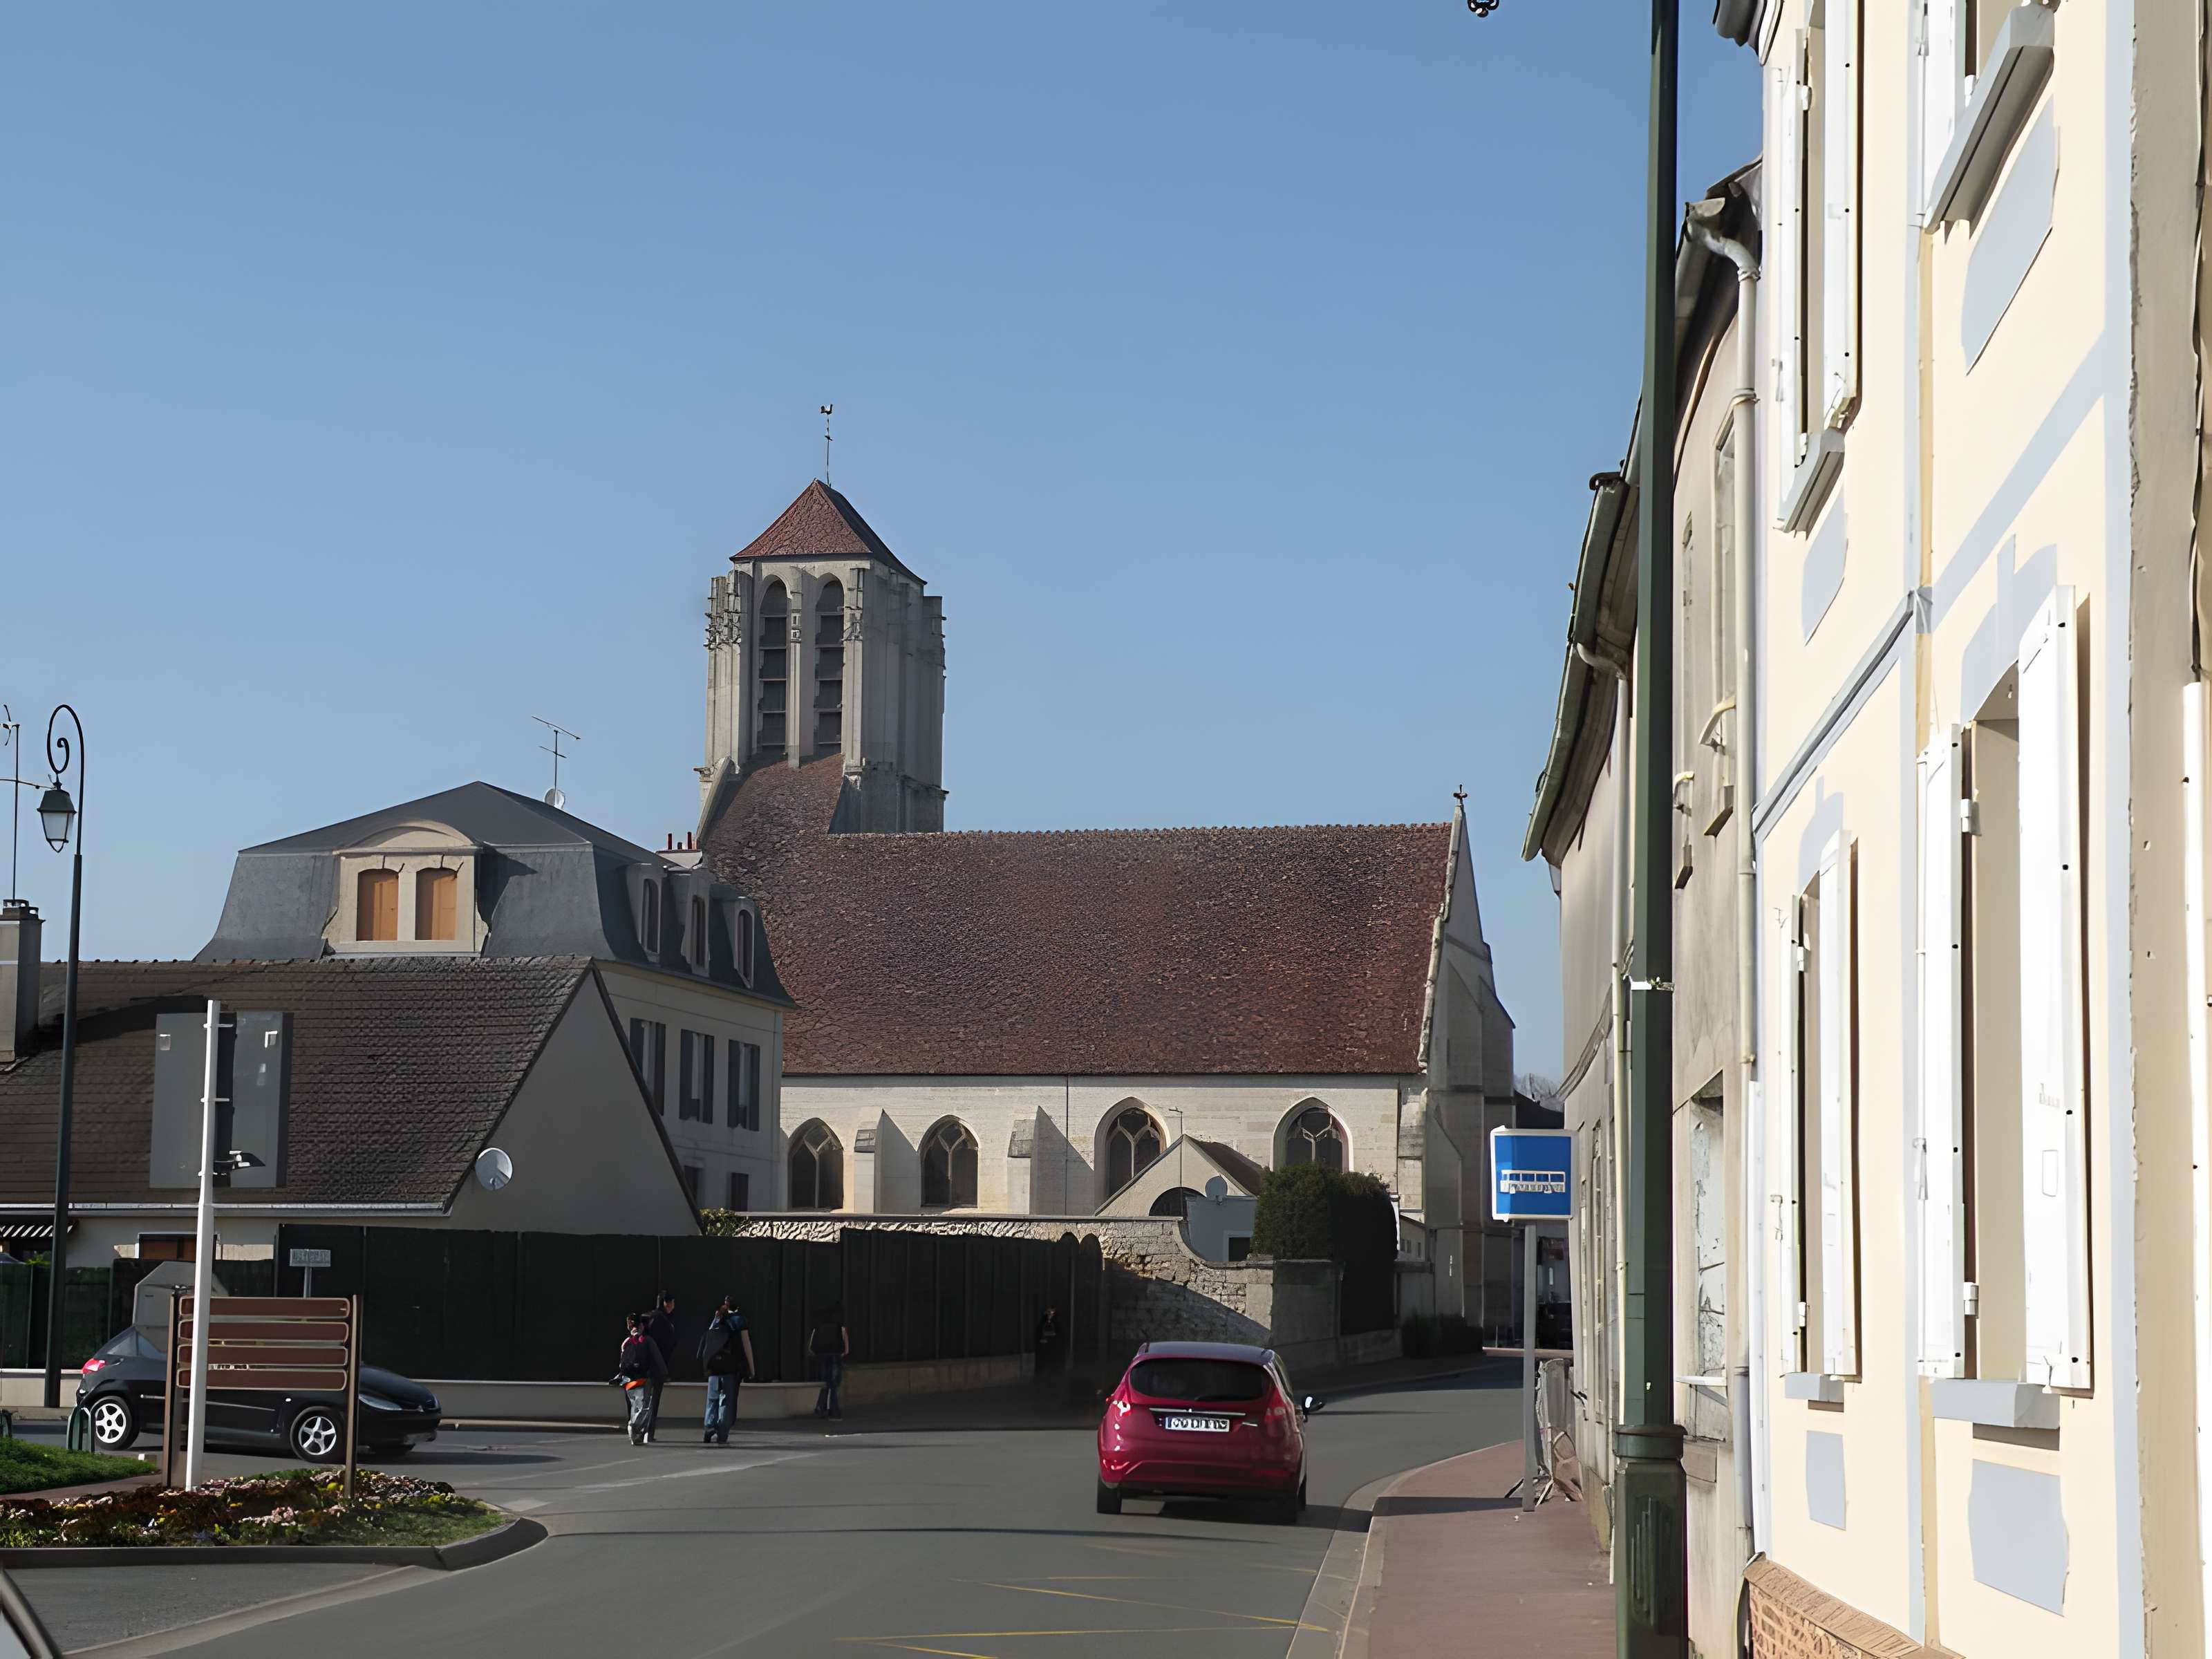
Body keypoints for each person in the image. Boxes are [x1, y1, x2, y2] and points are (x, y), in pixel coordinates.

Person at [697, 1293, 755, 1445]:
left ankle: (709, 1426)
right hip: (730, 1369)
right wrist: (751, 1369)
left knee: (712, 1399)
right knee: (727, 1401)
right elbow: (746, 1345)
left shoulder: (716, 1322)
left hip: (714, 1369)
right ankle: (722, 1433)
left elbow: (706, 1343)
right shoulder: (738, 1321)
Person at [616, 1313, 665, 1445]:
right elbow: (657, 1358)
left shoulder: (627, 1342)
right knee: (645, 1407)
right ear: (642, 1325)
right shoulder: (647, 1340)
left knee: (634, 1406)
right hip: (643, 1378)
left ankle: (636, 1436)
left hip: (628, 1379)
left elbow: (622, 1362)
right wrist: (663, 1373)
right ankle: (635, 1426)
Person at [644, 1291, 677, 1441]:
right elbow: (667, 1346)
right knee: (653, 1401)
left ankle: (639, 1429)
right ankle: (648, 1433)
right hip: (657, 1367)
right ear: (668, 1303)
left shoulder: (649, 1317)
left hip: (643, 1366)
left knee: (642, 1399)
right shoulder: (663, 1321)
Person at [809, 1302, 850, 1420]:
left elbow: (811, 1348)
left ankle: (821, 1408)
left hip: (822, 1357)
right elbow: (846, 1350)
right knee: (833, 1386)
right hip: (835, 1357)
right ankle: (834, 1412)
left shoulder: (817, 1328)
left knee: (824, 1385)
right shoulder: (841, 1328)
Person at [1033, 1304, 1062, 1375]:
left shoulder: (1056, 1325)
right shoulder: (1042, 1324)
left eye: (1052, 1313)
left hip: (1053, 1352)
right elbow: (1038, 1336)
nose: (1050, 1315)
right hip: (1043, 1352)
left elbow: (1059, 1337)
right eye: (1048, 1313)